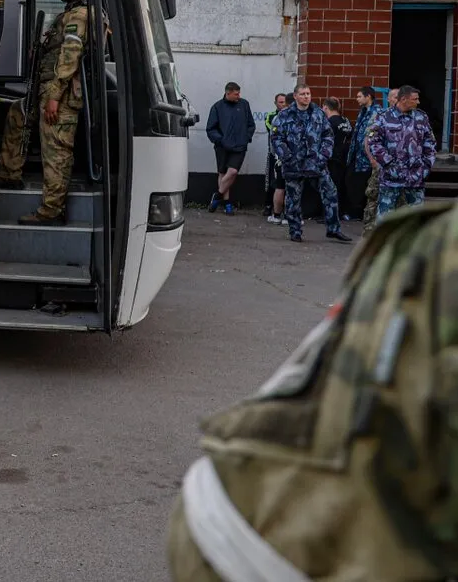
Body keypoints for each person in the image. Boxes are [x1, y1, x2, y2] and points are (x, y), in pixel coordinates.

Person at [166, 199, 458, 581]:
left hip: (250, 525)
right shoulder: (438, 246)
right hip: (260, 544)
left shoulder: (436, 241)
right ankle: (294, 226)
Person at [0, 0, 89, 225]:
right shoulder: (71, 13)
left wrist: (54, 97)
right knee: (17, 113)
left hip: (60, 95)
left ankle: (51, 210)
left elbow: (70, 56)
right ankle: (9, 174)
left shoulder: (80, 15)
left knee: (56, 151)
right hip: (47, 89)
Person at [271, 83, 352, 243]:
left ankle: (333, 229)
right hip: (294, 164)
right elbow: (276, 138)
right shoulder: (285, 115)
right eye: (302, 94)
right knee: (293, 199)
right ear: (295, 96)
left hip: (316, 164)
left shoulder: (318, 114)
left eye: (308, 93)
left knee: (330, 193)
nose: (306, 96)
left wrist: (323, 156)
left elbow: (328, 135)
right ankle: (295, 231)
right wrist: (287, 157)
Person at [367, 83, 436, 221]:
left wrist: (426, 166)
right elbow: (373, 141)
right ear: (403, 99)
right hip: (391, 177)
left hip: (415, 177)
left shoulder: (421, 118)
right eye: (415, 99)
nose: (418, 102)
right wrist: (388, 163)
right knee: (385, 219)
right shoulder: (384, 117)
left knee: (415, 219)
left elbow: (430, 143)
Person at [205, 82, 255, 215]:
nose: (239, 96)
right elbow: (210, 128)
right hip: (222, 147)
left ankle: (216, 197)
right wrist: (220, 140)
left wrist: (246, 137)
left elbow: (251, 124)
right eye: (236, 94)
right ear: (228, 93)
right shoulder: (217, 107)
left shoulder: (244, 104)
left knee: (232, 172)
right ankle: (227, 204)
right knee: (223, 174)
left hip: (239, 146)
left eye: (239, 93)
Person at [363, 87, 399, 231]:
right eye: (394, 97)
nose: (396, 100)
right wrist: (373, 160)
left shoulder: (409, 117)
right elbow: (368, 139)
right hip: (381, 165)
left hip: (399, 168)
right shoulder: (380, 115)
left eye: (399, 97)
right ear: (388, 99)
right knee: (374, 197)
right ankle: (370, 231)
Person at [345, 86, 381, 219]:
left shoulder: (376, 112)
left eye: (359, 96)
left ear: (368, 97)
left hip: (367, 156)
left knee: (364, 184)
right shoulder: (363, 111)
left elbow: (371, 134)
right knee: (353, 182)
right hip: (357, 154)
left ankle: (362, 213)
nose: (357, 99)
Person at [320, 97, 354, 219]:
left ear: (325, 107)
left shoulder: (329, 122)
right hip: (345, 158)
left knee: (330, 187)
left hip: (332, 158)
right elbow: (351, 135)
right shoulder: (345, 121)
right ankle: (342, 212)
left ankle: (330, 214)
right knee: (341, 186)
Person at [263, 92, 289, 224]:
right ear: (275, 103)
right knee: (271, 181)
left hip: (288, 157)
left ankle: (284, 213)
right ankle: (269, 205)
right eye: (280, 102)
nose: (283, 104)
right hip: (275, 155)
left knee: (284, 185)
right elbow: (272, 130)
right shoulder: (272, 116)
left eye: (284, 102)